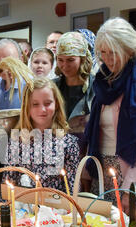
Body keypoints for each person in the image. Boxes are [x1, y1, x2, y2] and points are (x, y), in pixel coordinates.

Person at [84, 17, 136, 216]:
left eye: (113, 52)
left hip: (131, 171)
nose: (107, 59)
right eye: (102, 52)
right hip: (101, 171)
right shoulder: (103, 80)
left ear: (128, 49)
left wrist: (132, 185)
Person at [3, 77, 80, 192]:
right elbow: (7, 187)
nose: (42, 109)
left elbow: (72, 189)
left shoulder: (68, 143)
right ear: (27, 107)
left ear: (57, 104)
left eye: (48, 103)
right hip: (24, 207)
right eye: (35, 104)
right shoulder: (17, 142)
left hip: (57, 208)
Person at [53, 31, 94, 160]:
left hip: (87, 153)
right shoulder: (52, 87)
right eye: (60, 60)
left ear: (82, 59)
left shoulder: (96, 87)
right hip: (58, 153)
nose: (64, 66)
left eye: (71, 60)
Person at [0, 38, 27, 110]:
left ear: (21, 60)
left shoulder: (31, 86)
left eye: (11, 60)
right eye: (0, 62)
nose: (6, 66)